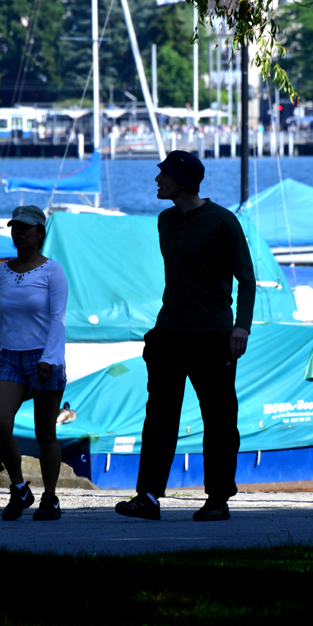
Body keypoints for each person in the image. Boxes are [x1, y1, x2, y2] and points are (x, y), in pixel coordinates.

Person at [116, 150, 255, 522]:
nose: (157, 180)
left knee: (220, 420)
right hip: (169, 335)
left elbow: (247, 279)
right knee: (159, 418)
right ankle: (147, 497)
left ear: (183, 180)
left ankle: (218, 499)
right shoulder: (165, 221)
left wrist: (241, 326)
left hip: (213, 337)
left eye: (163, 175)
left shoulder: (223, 222)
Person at [0, 205, 69, 521]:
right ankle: (19, 489)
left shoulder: (52, 271)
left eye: (26, 228)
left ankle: (50, 497)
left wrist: (49, 358)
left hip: (44, 358)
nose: (19, 232)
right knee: (1, 425)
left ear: (40, 234)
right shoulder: (1, 272)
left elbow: (57, 319)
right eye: (15, 227)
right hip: (9, 357)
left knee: (45, 431)